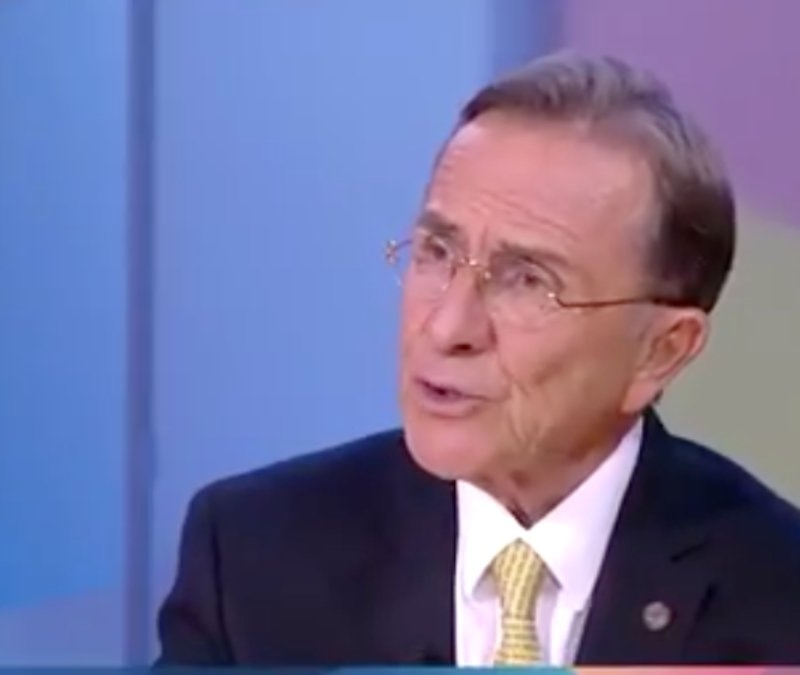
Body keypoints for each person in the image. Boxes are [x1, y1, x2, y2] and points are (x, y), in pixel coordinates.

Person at [154, 52, 800, 666]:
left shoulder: (778, 593)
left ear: (660, 352)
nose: (447, 327)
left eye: (528, 281)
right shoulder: (253, 558)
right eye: (436, 253)